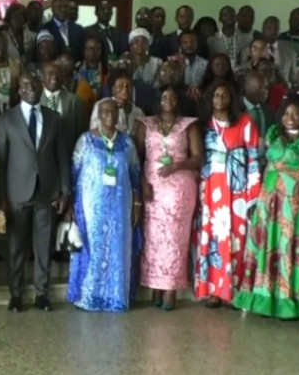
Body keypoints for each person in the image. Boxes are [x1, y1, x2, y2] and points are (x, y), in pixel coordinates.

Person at [235, 97, 299, 321]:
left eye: (296, 113)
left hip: (297, 206)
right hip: (270, 205)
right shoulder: (273, 135)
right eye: (287, 113)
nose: (291, 118)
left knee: (293, 251)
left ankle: (294, 302)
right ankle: (268, 299)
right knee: (270, 250)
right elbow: (270, 165)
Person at [0, 74, 70, 312]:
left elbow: (62, 157)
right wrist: (2, 197)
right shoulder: (6, 119)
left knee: (43, 245)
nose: (31, 88)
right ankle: (16, 295)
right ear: (19, 89)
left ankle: (41, 293)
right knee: (16, 246)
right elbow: (1, 160)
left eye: (35, 84)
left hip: (46, 191)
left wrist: (65, 191)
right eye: (26, 85)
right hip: (17, 192)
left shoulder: (54, 118)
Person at [67, 99, 142, 312]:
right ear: (98, 114)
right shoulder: (86, 140)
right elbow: (74, 172)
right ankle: (90, 295)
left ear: (119, 114)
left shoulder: (127, 143)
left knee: (118, 248)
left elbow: (135, 173)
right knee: (94, 248)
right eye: (105, 111)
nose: (109, 115)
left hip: (120, 205)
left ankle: (116, 297)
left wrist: (137, 202)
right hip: (91, 206)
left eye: (113, 111)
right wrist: (72, 206)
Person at [133, 87, 202, 311]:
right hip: (152, 188)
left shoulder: (188, 125)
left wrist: (177, 165)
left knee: (174, 239)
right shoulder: (145, 123)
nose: (169, 100)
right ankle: (155, 286)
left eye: (173, 96)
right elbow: (137, 156)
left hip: (179, 189)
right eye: (164, 97)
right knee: (153, 238)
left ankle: (171, 290)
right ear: (158, 100)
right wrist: (142, 183)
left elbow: (198, 157)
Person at [195, 80, 262, 308]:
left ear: (231, 98)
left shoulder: (244, 122)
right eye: (216, 95)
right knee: (213, 239)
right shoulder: (203, 125)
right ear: (210, 99)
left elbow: (253, 157)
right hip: (212, 189)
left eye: (224, 95)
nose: (220, 99)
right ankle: (213, 291)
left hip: (238, 190)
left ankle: (235, 292)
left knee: (237, 240)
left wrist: (254, 191)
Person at [39, 62, 86, 154]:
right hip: (42, 157)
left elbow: (81, 131)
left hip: (67, 153)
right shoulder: (35, 100)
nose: (54, 77)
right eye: (50, 73)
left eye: (58, 74)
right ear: (42, 77)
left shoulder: (74, 101)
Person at [207, 6, 252, 70]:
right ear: (220, 19)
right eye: (225, 15)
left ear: (236, 17)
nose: (229, 17)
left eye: (232, 15)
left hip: (241, 74)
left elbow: (247, 61)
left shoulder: (247, 38)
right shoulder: (212, 40)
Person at [261, 16, 299, 86]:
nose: (272, 31)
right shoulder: (249, 51)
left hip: (283, 92)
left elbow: (293, 79)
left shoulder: (290, 53)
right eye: (269, 28)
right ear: (262, 30)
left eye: (275, 28)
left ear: (279, 31)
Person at [74, 37, 111, 113]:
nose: (90, 50)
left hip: (103, 110)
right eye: (87, 48)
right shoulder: (77, 69)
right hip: (82, 111)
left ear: (100, 51)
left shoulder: (108, 70)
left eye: (94, 48)